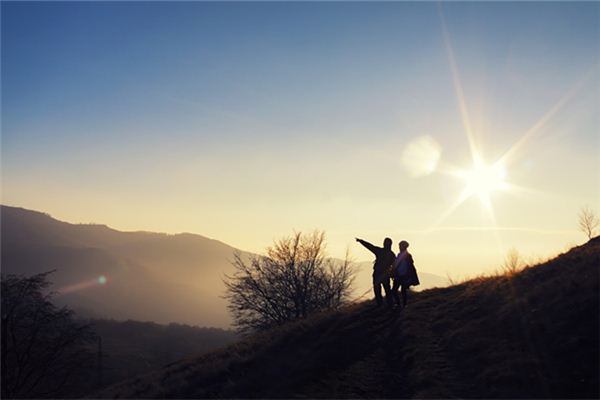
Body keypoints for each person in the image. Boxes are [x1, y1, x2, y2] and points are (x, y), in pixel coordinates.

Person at [356, 237, 396, 307]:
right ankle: (390, 303)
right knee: (387, 289)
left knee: (377, 289)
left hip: (377, 273)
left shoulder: (380, 251)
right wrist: (393, 274)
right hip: (385, 274)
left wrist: (361, 241)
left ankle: (380, 304)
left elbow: (370, 246)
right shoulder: (392, 254)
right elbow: (394, 266)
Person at [391, 240, 420, 308]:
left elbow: (409, 266)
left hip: (403, 275)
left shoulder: (406, 256)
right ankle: (402, 304)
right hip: (400, 275)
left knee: (398, 290)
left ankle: (401, 304)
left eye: (400, 246)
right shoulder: (403, 255)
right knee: (399, 290)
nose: (399, 247)